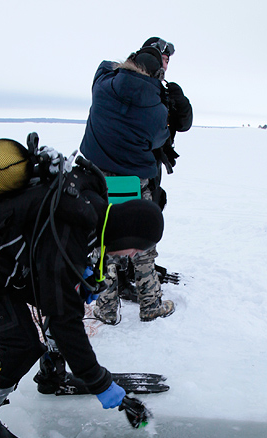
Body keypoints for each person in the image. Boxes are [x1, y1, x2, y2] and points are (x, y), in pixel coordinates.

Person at [0, 157, 164, 438]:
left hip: (9, 256)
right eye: (136, 248)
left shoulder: (95, 213)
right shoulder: (72, 230)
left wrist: (82, 282)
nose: (133, 256)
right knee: (21, 344)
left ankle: (52, 377)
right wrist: (102, 384)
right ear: (127, 232)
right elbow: (65, 323)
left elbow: (63, 290)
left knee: (65, 300)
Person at [80, 37, 192, 324]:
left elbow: (104, 67)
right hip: (134, 181)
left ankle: (105, 309)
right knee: (142, 243)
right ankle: (151, 305)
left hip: (97, 179)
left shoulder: (104, 86)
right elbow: (160, 138)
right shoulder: (156, 110)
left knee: (103, 241)